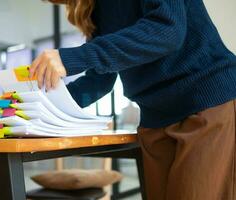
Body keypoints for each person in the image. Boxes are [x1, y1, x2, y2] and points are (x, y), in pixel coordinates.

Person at [30, 0, 236, 199]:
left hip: (206, 103)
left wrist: (76, 57)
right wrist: (40, 106)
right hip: (155, 121)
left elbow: (168, 29)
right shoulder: (97, 8)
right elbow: (98, 82)